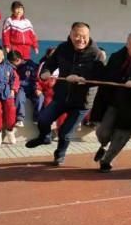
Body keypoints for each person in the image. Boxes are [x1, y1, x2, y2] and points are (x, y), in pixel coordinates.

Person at [25, 22, 106, 166]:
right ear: (70, 34)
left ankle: (59, 155)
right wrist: (46, 73)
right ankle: (44, 137)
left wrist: (81, 78)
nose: (80, 39)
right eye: (76, 35)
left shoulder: (97, 54)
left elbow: (99, 78)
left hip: (82, 102)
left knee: (65, 132)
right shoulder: (63, 48)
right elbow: (50, 64)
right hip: (62, 96)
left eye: (84, 36)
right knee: (43, 119)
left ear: (89, 36)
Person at [88, 32, 131, 172]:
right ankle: (104, 146)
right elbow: (106, 76)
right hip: (113, 102)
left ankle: (107, 160)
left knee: (121, 137)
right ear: (127, 44)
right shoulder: (116, 57)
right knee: (102, 132)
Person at [8, 51, 43, 127]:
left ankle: (37, 118)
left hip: (32, 87)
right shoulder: (10, 68)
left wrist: (38, 88)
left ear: (21, 58)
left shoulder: (30, 65)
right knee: (19, 97)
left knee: (40, 97)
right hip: (21, 88)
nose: (15, 63)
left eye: (17, 60)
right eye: (12, 62)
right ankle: (20, 119)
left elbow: (37, 77)